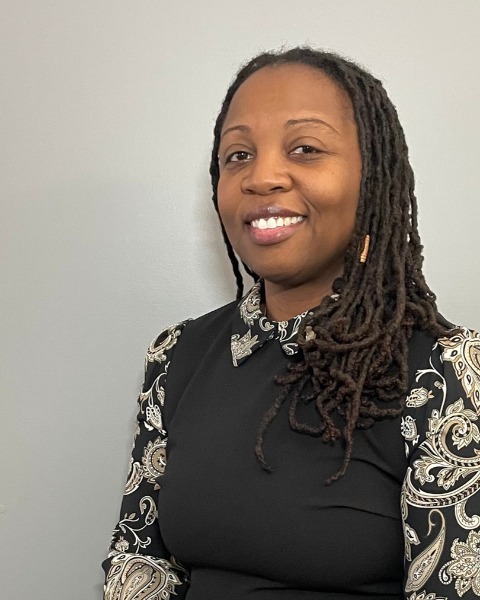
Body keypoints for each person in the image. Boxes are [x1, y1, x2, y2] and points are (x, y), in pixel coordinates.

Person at [102, 47, 480, 600]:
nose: (262, 177)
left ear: (372, 178)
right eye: (238, 155)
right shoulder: (177, 355)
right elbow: (140, 563)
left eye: (305, 148)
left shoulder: (446, 371)